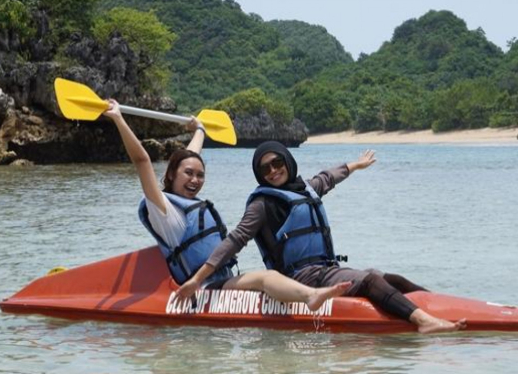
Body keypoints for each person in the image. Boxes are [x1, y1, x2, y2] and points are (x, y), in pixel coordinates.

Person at [178, 141, 467, 333]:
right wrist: (197, 279)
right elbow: (234, 241)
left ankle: (441, 306)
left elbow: (328, 177)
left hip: (325, 269)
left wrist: (354, 165)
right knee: (368, 280)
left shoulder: (304, 189)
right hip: (300, 277)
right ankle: (422, 321)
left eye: (277, 162)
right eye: (264, 168)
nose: (273, 171)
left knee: (393, 279)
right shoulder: (262, 205)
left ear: (288, 161)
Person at [103, 102, 350, 311]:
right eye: (188, 174)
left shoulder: (186, 200)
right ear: (170, 176)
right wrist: (118, 118)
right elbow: (142, 160)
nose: (195, 180)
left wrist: (199, 129)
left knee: (267, 281)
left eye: (200, 175)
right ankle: (310, 297)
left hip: (223, 283)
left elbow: (189, 160)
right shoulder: (163, 211)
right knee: (267, 277)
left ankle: (310, 294)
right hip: (201, 290)